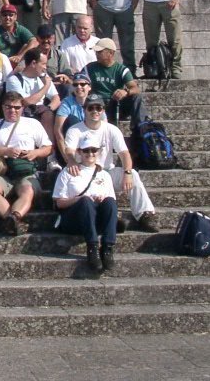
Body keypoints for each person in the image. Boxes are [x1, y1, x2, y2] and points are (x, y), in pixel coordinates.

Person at [63, 93, 159, 232]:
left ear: (103, 110)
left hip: (106, 172)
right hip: (83, 173)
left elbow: (124, 153)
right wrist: (71, 161)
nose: (95, 111)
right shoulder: (75, 130)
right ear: (84, 110)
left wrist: (127, 172)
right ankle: (108, 217)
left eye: (98, 108)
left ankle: (145, 214)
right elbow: (69, 150)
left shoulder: (111, 129)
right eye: (91, 108)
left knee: (133, 174)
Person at [0, 91, 54, 235]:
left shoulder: (33, 124)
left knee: (28, 190)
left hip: (26, 172)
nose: (12, 110)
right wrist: (6, 151)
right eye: (8, 107)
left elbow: (48, 147)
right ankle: (10, 220)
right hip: (4, 172)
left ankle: (14, 217)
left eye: (17, 107)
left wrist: (35, 153)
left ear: (22, 108)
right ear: (2, 107)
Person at [52, 131, 119, 274]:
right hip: (74, 219)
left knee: (110, 202)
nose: (90, 153)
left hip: (95, 218)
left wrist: (100, 200)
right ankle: (92, 247)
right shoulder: (67, 172)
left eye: (94, 150)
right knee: (85, 201)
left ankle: (107, 247)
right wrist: (78, 199)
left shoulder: (104, 175)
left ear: (99, 152)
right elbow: (59, 203)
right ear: (79, 152)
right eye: (86, 150)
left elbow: (110, 200)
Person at [6, 48, 62, 169]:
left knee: (48, 115)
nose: (45, 67)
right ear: (33, 63)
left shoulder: (43, 77)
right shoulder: (14, 80)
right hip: (22, 110)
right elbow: (25, 102)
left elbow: (56, 98)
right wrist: (46, 86)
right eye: (43, 64)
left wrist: (48, 108)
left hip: (41, 109)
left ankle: (50, 159)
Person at [85, 38, 148, 129]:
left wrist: (126, 92)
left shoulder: (121, 69)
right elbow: (78, 81)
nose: (96, 54)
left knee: (136, 97)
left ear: (111, 53)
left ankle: (141, 129)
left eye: (100, 52)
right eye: (96, 52)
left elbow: (135, 89)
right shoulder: (89, 67)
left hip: (114, 103)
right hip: (96, 104)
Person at [36, 24, 73, 101]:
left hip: (56, 88)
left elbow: (68, 75)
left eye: (49, 38)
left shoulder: (59, 55)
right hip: (36, 87)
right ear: (37, 38)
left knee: (67, 87)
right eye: (43, 38)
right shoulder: (31, 54)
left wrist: (64, 77)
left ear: (54, 38)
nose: (46, 41)